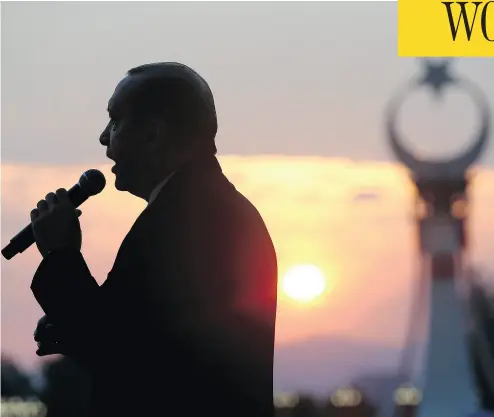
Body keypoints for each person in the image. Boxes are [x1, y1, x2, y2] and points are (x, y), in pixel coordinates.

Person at [30, 62, 278, 417]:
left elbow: (111, 345)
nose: (103, 137)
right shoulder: (205, 208)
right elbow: (150, 339)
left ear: (153, 135)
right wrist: (72, 327)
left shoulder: (185, 218)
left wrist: (60, 253)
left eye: (115, 121)